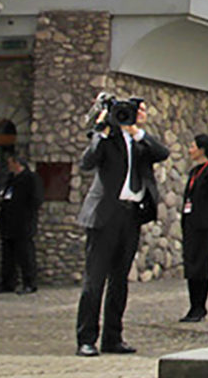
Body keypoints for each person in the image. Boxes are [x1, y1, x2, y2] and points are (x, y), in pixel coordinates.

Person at [75, 98, 167, 357]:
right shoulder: (106, 137)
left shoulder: (141, 142)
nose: (135, 115)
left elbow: (162, 153)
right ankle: (86, 338)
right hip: (105, 216)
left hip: (131, 216)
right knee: (95, 281)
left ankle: (113, 338)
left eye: (138, 111)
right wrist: (102, 130)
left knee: (120, 282)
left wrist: (136, 132)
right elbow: (87, 162)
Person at [180, 134, 208, 323]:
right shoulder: (193, 172)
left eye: (193, 146)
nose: (190, 150)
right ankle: (193, 306)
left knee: (200, 265)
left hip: (203, 226)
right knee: (191, 265)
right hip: (190, 224)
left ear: (201, 149)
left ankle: (200, 307)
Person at [0, 147, 40, 294]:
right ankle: (7, 283)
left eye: (10, 163)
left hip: (23, 223)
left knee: (25, 255)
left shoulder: (30, 178)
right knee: (8, 256)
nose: (9, 166)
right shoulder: (11, 179)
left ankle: (29, 283)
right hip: (8, 223)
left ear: (17, 163)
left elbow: (36, 200)